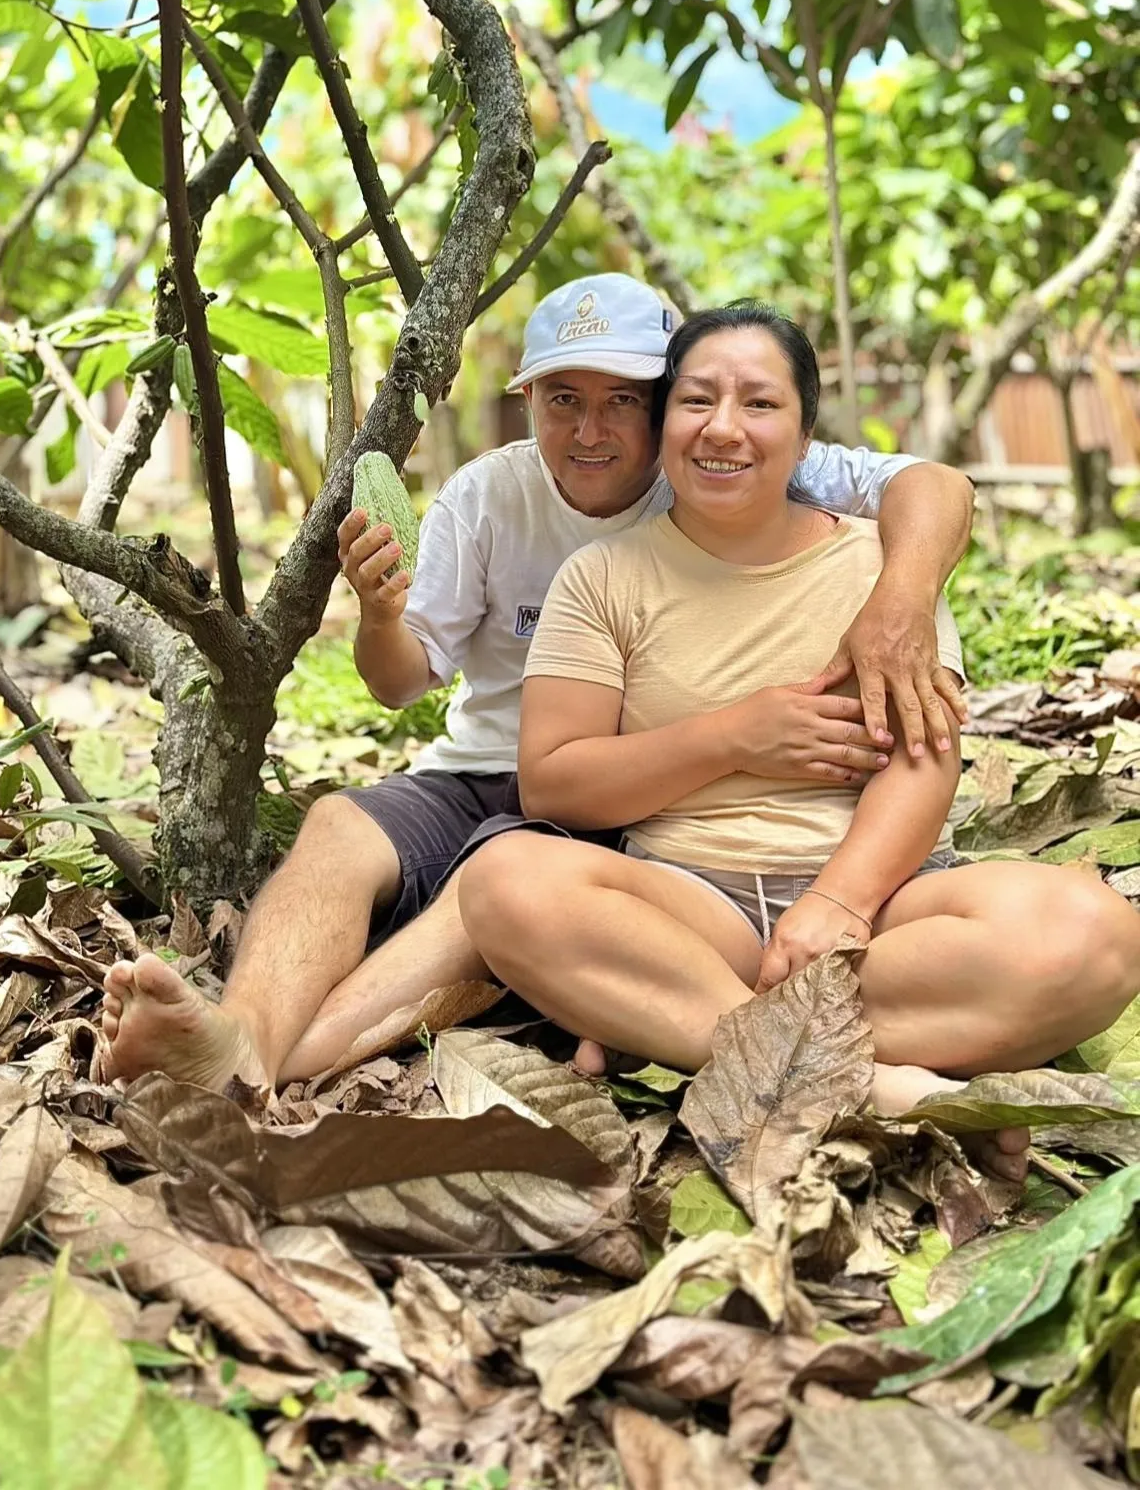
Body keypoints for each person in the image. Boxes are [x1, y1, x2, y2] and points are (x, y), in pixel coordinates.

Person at [93, 275, 976, 1094]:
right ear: (528, 403)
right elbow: (402, 684)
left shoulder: (718, 468)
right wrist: (379, 613)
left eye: (623, 402)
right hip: (491, 761)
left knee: (495, 890)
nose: (592, 430)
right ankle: (240, 1034)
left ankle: (259, 1070)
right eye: (564, 402)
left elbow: (932, 485)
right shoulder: (486, 496)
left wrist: (900, 599)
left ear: (664, 405)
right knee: (335, 827)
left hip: (631, 780)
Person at [455, 301, 1140, 1179]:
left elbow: (923, 762)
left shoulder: (877, 568)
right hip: (689, 905)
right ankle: (881, 1088)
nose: (724, 429)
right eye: (696, 400)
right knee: (508, 882)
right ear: (665, 424)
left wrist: (839, 906)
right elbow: (554, 783)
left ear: (808, 435)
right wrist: (736, 737)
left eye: (761, 405)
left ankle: (683, 1032)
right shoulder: (602, 578)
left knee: (1094, 933)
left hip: (882, 910)